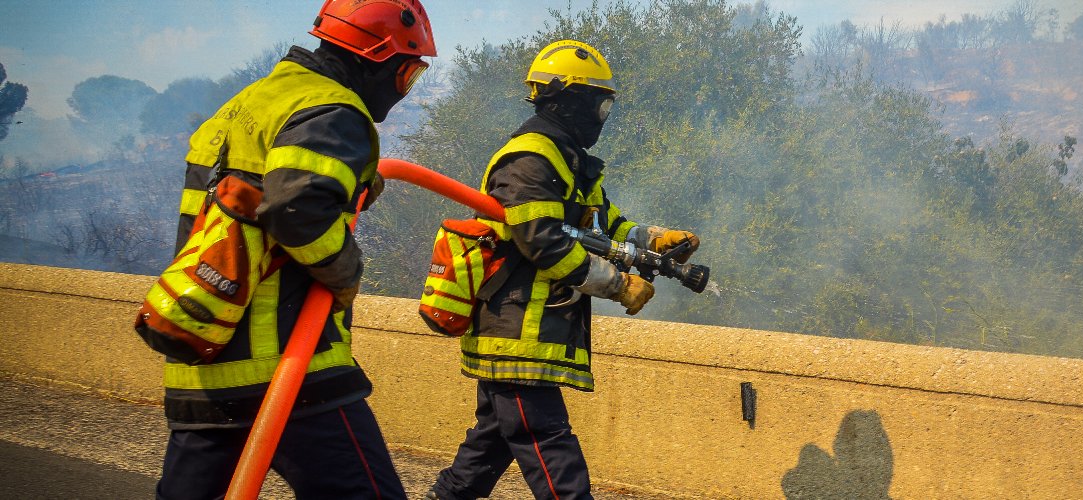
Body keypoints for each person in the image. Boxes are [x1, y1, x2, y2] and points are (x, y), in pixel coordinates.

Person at [153, 0, 436, 498]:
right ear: (377, 57)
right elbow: (296, 209)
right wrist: (347, 272)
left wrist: (356, 182)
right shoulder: (332, 109)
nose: (402, 90)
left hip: (202, 358)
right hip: (289, 370)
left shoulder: (250, 103)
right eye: (408, 75)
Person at [425, 39, 700, 500]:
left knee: (490, 444)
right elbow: (543, 240)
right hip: (518, 328)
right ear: (567, 99)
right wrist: (617, 285)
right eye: (600, 104)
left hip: (529, 329)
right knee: (550, 447)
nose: (603, 116)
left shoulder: (568, 158)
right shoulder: (531, 158)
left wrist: (651, 239)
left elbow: (598, 225)